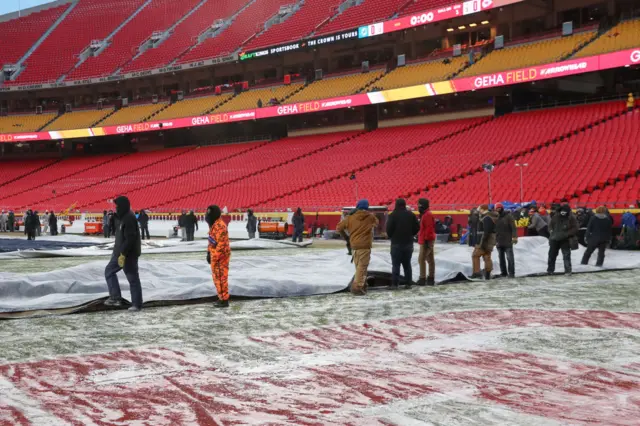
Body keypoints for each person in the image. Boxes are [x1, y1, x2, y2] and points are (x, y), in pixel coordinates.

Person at [104, 196, 143, 312]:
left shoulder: (129, 218)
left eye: (117, 206)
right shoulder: (123, 217)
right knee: (111, 272)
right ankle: (120, 298)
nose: (116, 208)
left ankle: (128, 302)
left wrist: (122, 253)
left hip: (127, 254)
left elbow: (130, 238)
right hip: (120, 252)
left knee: (131, 278)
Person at [337, 199, 379, 296]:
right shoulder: (370, 217)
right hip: (365, 246)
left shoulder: (349, 218)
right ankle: (357, 286)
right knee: (362, 267)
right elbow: (376, 222)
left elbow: (338, 228)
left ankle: (363, 284)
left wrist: (346, 237)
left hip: (354, 246)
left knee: (358, 267)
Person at [386, 198, 419, 289]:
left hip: (396, 243)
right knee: (407, 264)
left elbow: (388, 229)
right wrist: (411, 234)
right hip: (408, 243)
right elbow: (417, 227)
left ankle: (395, 284)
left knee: (396, 265)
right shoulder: (411, 215)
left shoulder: (393, 215)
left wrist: (392, 236)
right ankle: (408, 283)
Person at [206, 205, 231, 308]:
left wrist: (214, 257)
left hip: (220, 257)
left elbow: (221, 244)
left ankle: (224, 300)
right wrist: (208, 253)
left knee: (221, 278)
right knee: (217, 278)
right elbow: (211, 240)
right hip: (215, 256)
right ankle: (221, 297)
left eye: (209, 212)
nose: (207, 215)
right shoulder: (214, 225)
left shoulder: (220, 226)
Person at [548, 204, 578, 276]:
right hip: (554, 239)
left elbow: (575, 228)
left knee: (566, 255)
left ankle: (568, 271)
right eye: (562, 211)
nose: (563, 213)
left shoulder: (572, 218)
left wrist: (566, 234)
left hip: (565, 240)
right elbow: (550, 225)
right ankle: (550, 270)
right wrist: (551, 231)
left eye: (565, 212)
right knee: (552, 255)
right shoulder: (555, 217)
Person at [471, 204, 498, 280]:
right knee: (487, 256)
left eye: (479, 208)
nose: (478, 210)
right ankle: (487, 273)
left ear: (483, 209)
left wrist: (482, 243)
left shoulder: (486, 218)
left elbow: (486, 232)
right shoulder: (489, 217)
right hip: (489, 241)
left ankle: (476, 273)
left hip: (484, 241)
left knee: (475, 255)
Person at [495, 203, 518, 278]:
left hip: (507, 241)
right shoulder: (496, 217)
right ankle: (503, 273)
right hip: (499, 241)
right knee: (501, 259)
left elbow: (513, 228)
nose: (498, 209)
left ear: (502, 208)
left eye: (499, 208)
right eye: (496, 208)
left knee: (510, 258)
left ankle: (511, 273)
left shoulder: (508, 216)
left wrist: (514, 237)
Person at [417, 198, 436, 286]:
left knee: (421, 259)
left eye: (419, 205)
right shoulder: (425, 214)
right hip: (427, 239)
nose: (418, 206)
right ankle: (431, 278)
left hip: (426, 240)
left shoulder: (427, 215)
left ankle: (422, 278)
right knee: (430, 259)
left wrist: (426, 240)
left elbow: (429, 229)